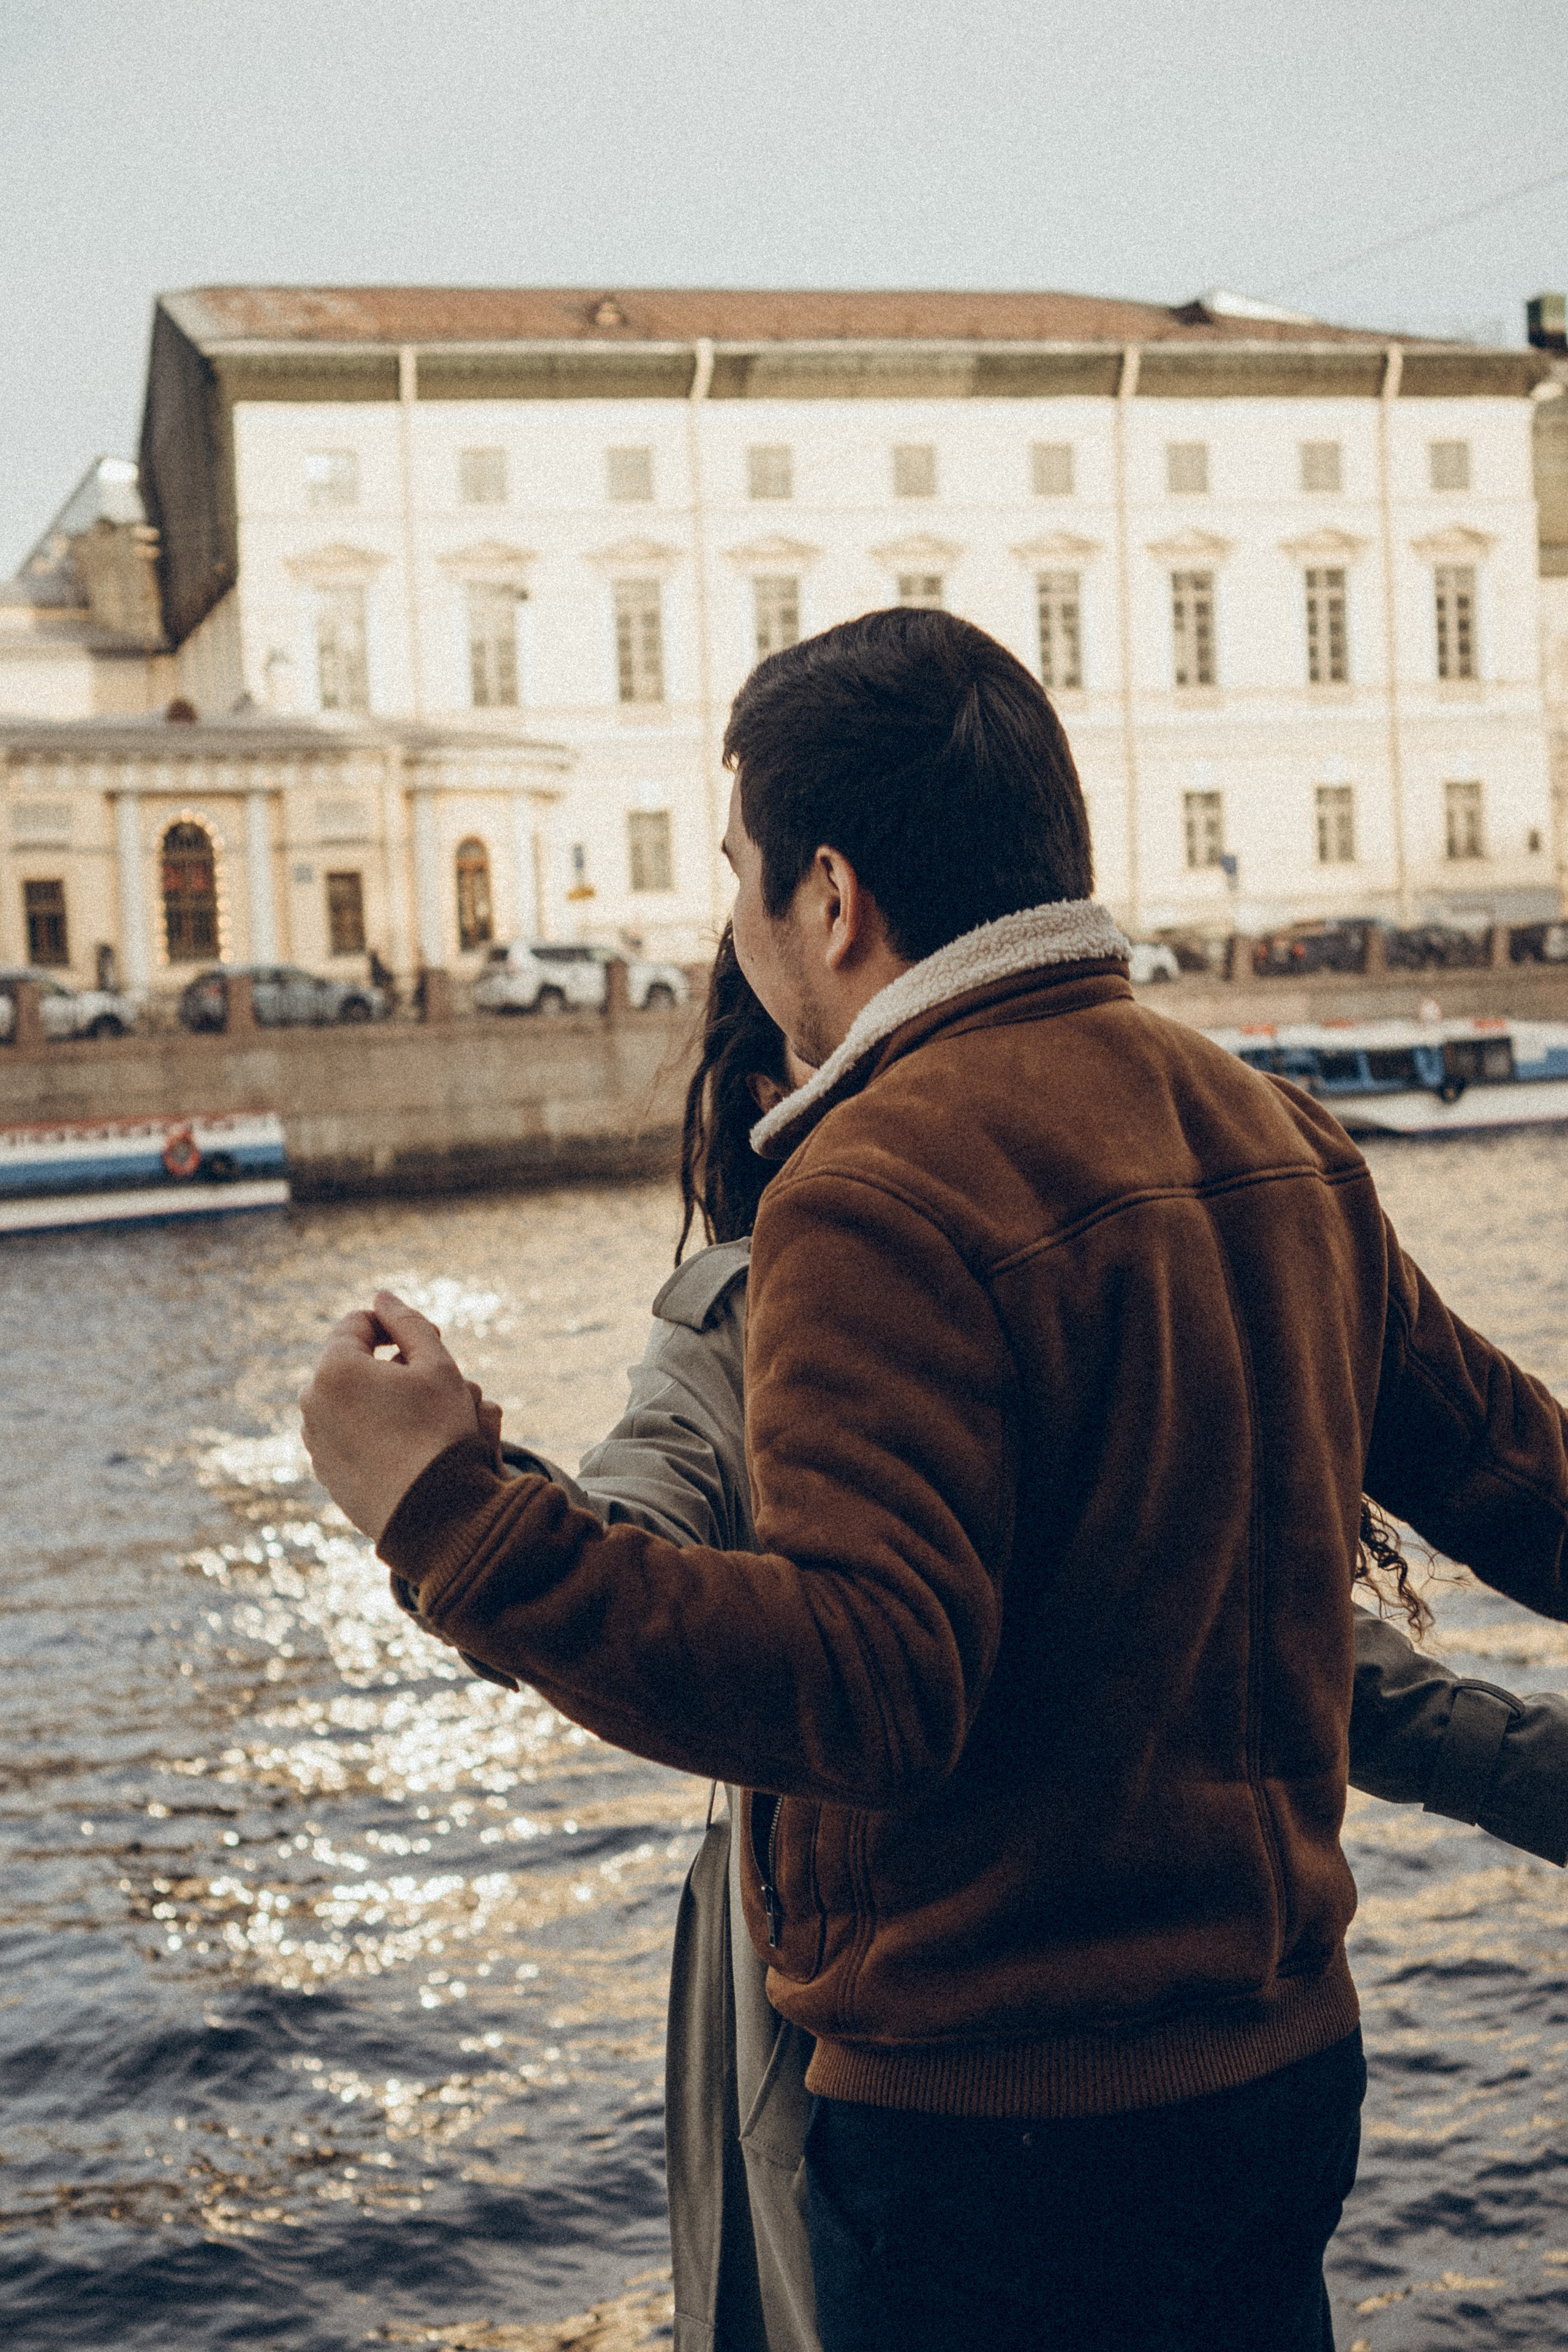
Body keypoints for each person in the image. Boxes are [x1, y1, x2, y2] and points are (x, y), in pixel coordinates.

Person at [302, 609, 1568, 2350]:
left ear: (830, 898)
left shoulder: (874, 1181)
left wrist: (442, 1512)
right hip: (1284, 2069)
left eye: (742, 872)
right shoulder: (1270, 1129)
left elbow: (870, 1690)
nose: (742, 925)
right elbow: (1524, 1484)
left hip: (1003, 2134)